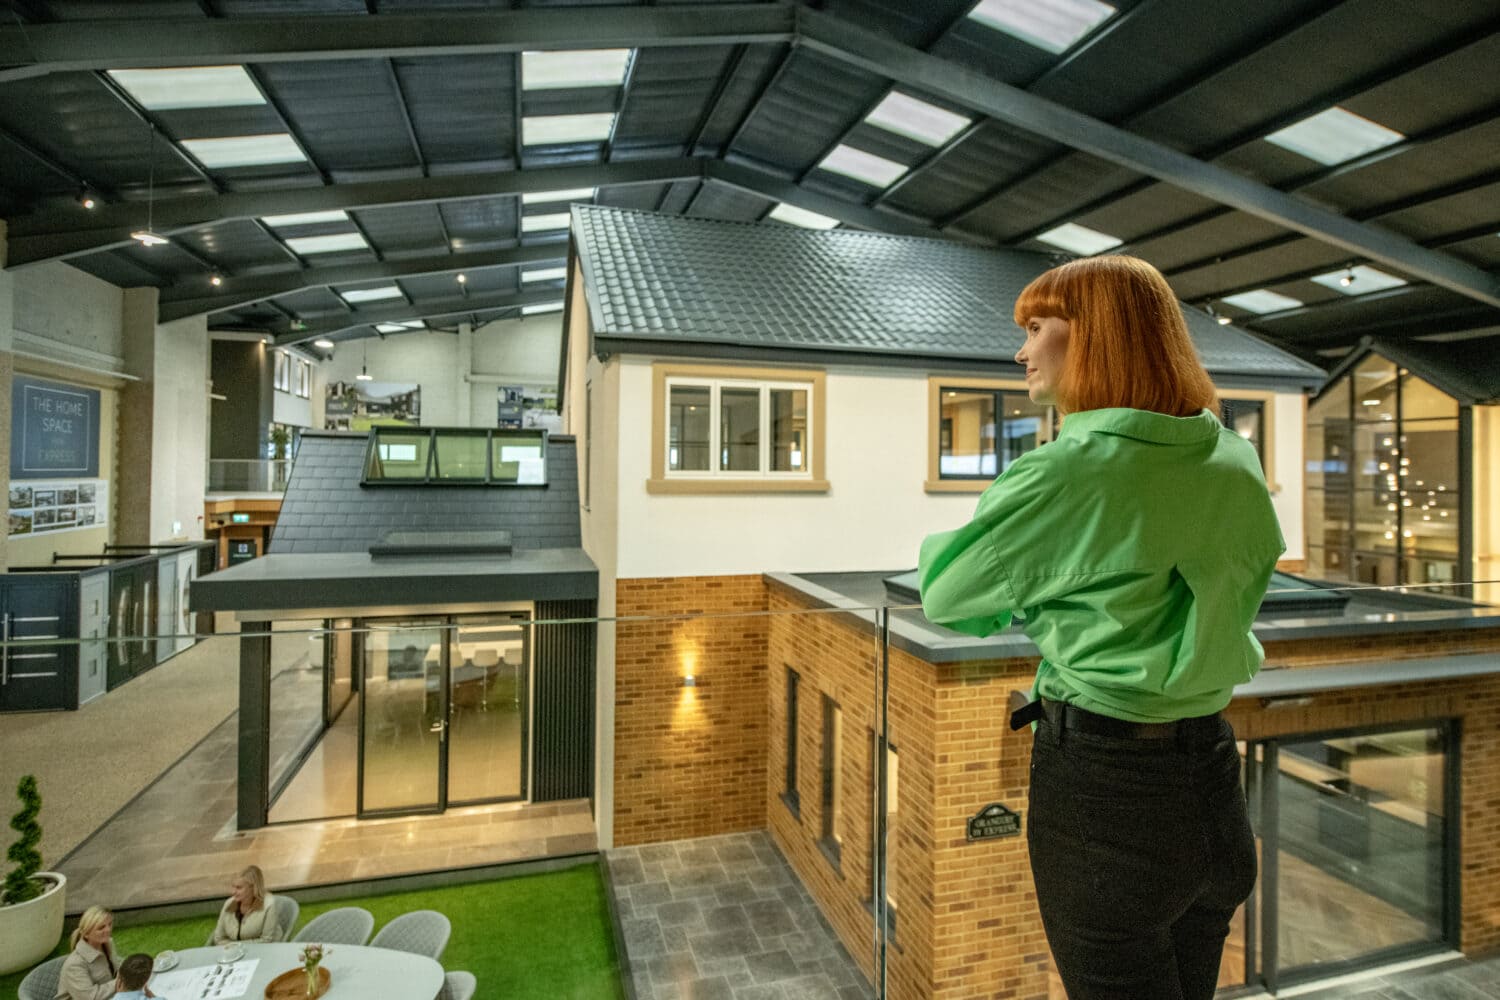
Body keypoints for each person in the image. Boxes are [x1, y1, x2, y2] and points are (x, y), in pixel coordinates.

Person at [918, 255, 1283, 1000]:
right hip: (1216, 789)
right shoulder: (1235, 458)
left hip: (1105, 802)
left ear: (1093, 337)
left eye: (1036, 329)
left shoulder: (1067, 470)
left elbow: (950, 595)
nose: (1022, 351)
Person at [56, 905, 120, 1000]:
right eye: (101, 927)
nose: (108, 930)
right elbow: (89, 997)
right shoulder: (74, 964)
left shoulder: (108, 943)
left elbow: (116, 969)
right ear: (86, 934)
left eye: (109, 924)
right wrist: (120, 982)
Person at [210, 865, 284, 945]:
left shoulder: (269, 904)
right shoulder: (229, 903)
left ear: (253, 888)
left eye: (239, 888)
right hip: (234, 953)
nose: (233, 892)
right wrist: (234, 949)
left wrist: (236, 946)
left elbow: (266, 940)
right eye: (233, 887)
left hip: (265, 951)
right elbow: (218, 938)